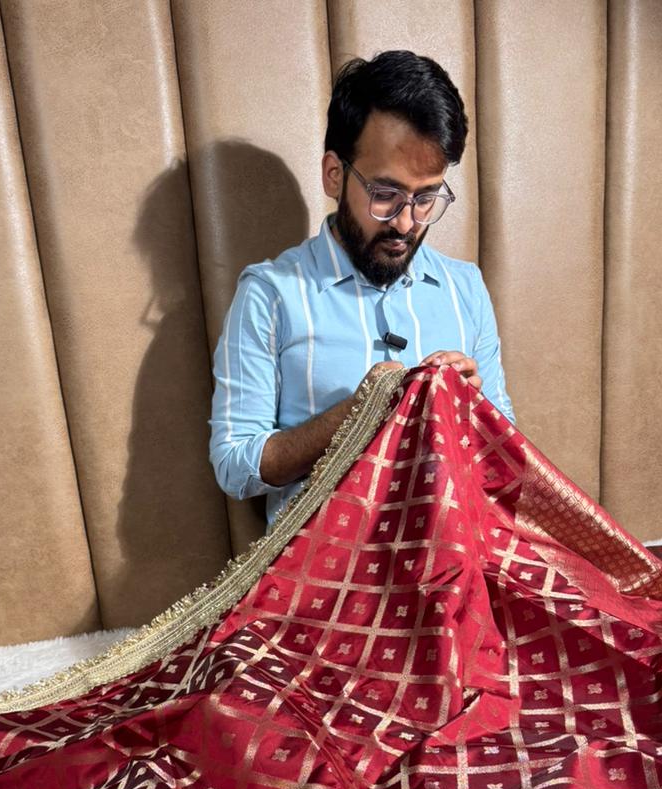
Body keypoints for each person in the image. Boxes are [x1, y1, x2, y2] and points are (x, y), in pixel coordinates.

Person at [209, 50, 515, 527]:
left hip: (455, 556)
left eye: (427, 197)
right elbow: (235, 467)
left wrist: (473, 412)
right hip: (325, 575)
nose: (407, 222)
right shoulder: (270, 295)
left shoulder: (465, 289)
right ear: (335, 174)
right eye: (385, 194)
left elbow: (506, 458)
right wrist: (357, 415)